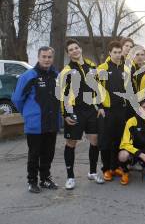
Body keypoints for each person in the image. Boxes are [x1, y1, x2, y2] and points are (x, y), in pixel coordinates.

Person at [12, 46, 60, 193]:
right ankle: (32, 181)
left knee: (48, 153)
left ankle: (45, 179)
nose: (46, 60)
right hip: (35, 124)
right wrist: (28, 113)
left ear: (53, 58)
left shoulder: (56, 75)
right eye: (44, 57)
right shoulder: (29, 76)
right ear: (38, 58)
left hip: (51, 123)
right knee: (34, 154)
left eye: (49, 57)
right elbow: (17, 99)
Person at [59, 39, 105, 190]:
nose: (74, 51)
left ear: (80, 49)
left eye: (76, 48)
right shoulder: (66, 71)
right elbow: (63, 95)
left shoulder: (92, 66)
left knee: (95, 141)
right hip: (74, 111)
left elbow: (98, 88)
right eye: (71, 49)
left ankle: (92, 172)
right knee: (71, 143)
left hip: (91, 110)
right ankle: (70, 177)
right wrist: (65, 114)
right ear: (68, 53)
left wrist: (99, 106)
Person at [97, 41, 130, 182]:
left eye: (119, 52)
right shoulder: (103, 68)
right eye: (114, 52)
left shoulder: (126, 69)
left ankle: (116, 166)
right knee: (105, 141)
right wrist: (100, 107)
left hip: (122, 110)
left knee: (118, 140)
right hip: (107, 111)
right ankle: (106, 169)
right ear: (110, 53)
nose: (117, 55)